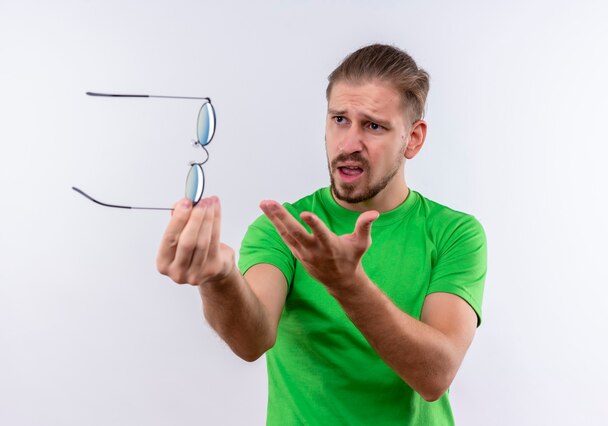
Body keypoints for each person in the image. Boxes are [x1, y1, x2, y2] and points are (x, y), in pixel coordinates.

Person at [156, 44, 487, 425]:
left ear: (413, 138)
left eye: (374, 126)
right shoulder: (284, 227)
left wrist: (348, 284)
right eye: (340, 120)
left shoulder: (455, 233)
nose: (348, 145)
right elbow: (251, 340)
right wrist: (219, 277)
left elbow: (435, 374)